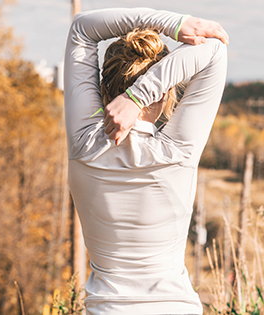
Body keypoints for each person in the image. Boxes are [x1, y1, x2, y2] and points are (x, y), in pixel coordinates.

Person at [64, 7, 228, 315]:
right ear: (166, 95)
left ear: (102, 88)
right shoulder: (176, 152)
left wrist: (173, 25)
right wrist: (138, 97)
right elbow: (215, 50)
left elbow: (82, 28)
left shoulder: (84, 144)